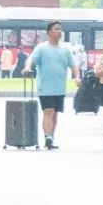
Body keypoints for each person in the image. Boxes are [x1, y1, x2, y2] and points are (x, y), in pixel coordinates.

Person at [24, 22, 80, 150]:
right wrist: (27, 67)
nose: (60, 31)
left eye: (61, 29)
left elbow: (73, 65)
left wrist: (77, 77)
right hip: (45, 87)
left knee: (54, 114)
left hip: (60, 88)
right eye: (56, 29)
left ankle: (50, 138)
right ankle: (48, 136)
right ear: (49, 32)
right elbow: (31, 59)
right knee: (48, 111)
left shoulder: (66, 49)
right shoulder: (41, 48)